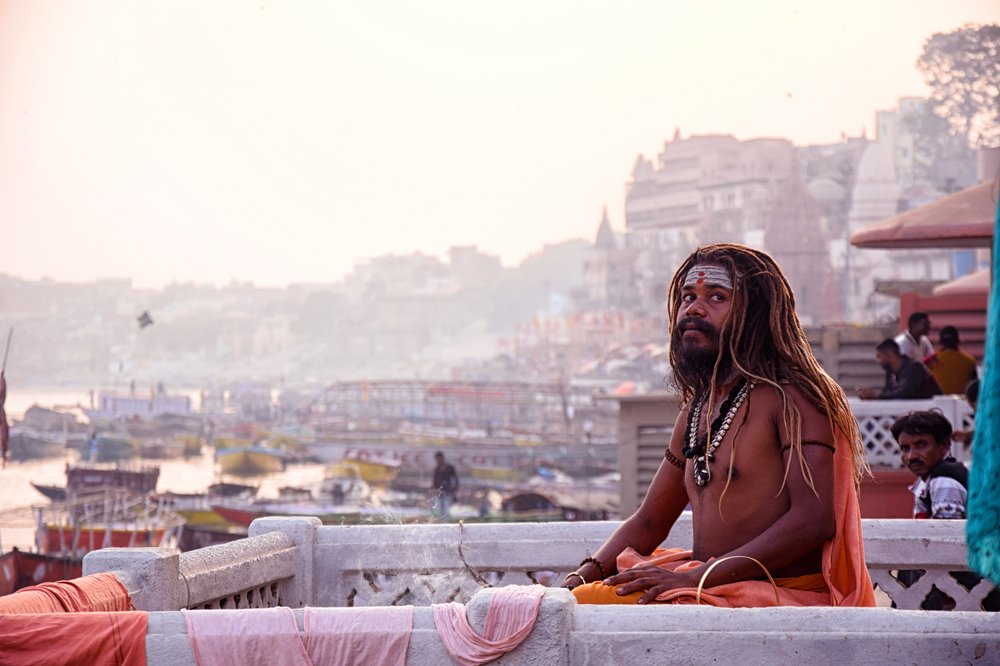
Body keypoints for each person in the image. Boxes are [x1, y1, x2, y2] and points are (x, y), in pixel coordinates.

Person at [565, 243, 874, 607]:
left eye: (716, 297)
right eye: (687, 297)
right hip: (706, 586)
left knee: (591, 604)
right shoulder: (697, 409)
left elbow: (814, 520)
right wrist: (576, 577)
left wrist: (696, 578)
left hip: (775, 592)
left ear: (755, 313)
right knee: (579, 597)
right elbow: (650, 521)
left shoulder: (792, 399)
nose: (694, 309)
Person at [891, 411, 997, 610]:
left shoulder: (944, 480)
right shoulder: (938, 476)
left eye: (921, 445)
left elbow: (944, 542)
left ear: (944, 446)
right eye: (905, 448)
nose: (911, 456)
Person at [858, 339, 941, 400]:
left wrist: (877, 397)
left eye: (879, 356)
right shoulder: (890, 372)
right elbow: (887, 393)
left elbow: (906, 393)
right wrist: (870, 395)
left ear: (889, 355)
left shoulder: (914, 367)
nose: (877, 361)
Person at [929, 326, 977, 395]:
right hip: (962, 403)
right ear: (958, 341)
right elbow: (973, 387)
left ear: (941, 343)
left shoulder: (931, 360)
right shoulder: (970, 361)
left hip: (937, 402)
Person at [431, 451, 459, 520]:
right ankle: (439, 524)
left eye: (439, 459)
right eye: (437, 460)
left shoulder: (450, 468)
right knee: (438, 510)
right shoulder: (436, 469)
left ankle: (445, 525)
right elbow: (434, 482)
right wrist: (433, 490)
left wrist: (453, 490)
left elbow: (455, 480)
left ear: (442, 458)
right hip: (438, 493)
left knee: (445, 510)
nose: (438, 461)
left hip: (448, 492)